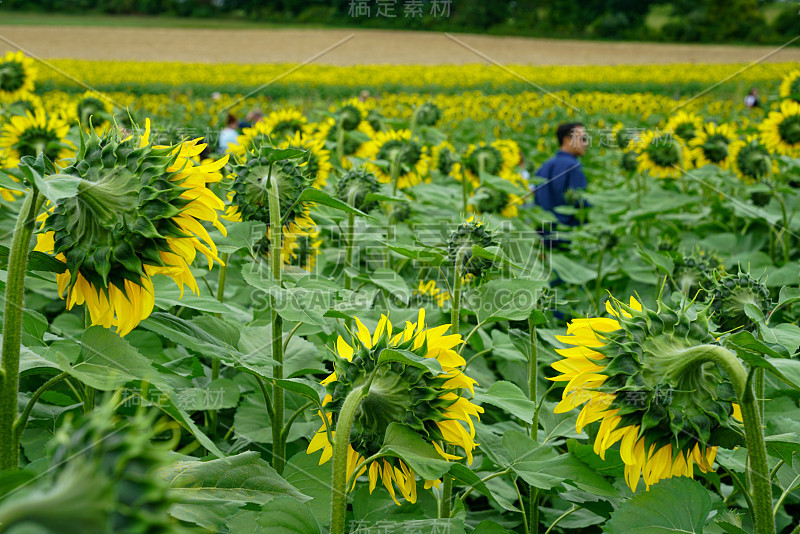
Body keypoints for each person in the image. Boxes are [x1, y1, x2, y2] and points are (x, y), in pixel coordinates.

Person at [532, 122, 589, 228]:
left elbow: (536, 201)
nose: (586, 144)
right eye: (583, 139)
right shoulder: (573, 166)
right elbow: (580, 201)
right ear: (567, 140)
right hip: (568, 232)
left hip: (545, 232)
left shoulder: (544, 166)